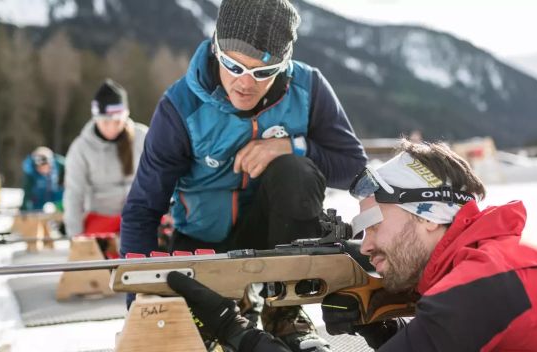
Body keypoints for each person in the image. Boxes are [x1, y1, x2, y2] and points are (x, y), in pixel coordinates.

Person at [165, 140, 537, 352]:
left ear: (431, 219)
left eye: (376, 221)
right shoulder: (486, 263)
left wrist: (241, 333)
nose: (366, 241)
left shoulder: (483, 282)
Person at [120, 0, 367, 350]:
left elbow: (354, 167)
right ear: (215, 47)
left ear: (284, 64)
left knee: (295, 170)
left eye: (263, 72)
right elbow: (142, 209)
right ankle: (239, 305)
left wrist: (293, 146)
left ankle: (283, 313)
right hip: (203, 244)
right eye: (234, 66)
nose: (245, 83)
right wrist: (140, 304)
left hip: (274, 239)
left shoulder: (308, 88)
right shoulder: (179, 107)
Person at [63, 80, 147, 242]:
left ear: (126, 115)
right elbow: (74, 194)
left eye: (117, 121)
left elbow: (163, 175)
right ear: (96, 119)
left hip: (140, 216)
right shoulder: (81, 148)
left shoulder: (143, 138)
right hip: (102, 218)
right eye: (105, 122)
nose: (111, 128)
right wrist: (75, 236)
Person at [21, 146, 64, 211]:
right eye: (40, 167)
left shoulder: (59, 163)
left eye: (45, 166)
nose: (43, 169)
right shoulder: (30, 173)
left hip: (55, 201)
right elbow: (27, 194)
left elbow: (70, 166)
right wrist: (24, 209)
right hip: (38, 204)